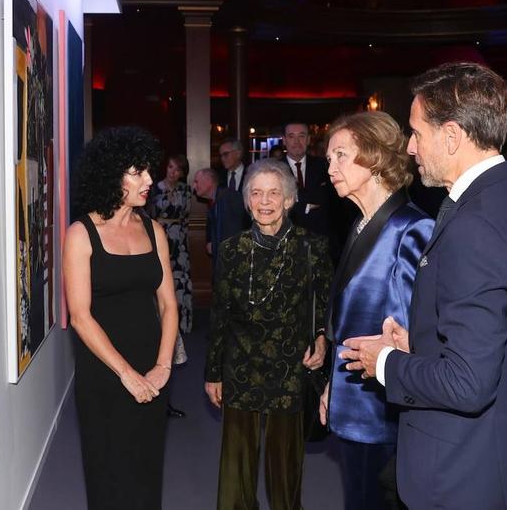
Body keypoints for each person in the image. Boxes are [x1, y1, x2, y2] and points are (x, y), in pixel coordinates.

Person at [340, 62, 507, 509]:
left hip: (459, 473)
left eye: (417, 133)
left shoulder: (473, 225)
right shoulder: (499, 197)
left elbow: (469, 383)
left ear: (451, 136)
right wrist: (421, 344)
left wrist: (386, 362)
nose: (411, 148)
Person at [318, 111, 434, 510]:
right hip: (353, 403)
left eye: (340, 155)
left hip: (384, 415)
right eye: (329, 157)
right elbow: (348, 315)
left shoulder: (411, 228)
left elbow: (404, 334)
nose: (330, 167)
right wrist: (332, 385)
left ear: (375, 158)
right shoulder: (361, 224)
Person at [204, 159, 333, 510]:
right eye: (256, 193)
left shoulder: (312, 247)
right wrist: (213, 373)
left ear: (289, 200)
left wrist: (322, 338)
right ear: (247, 201)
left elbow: (325, 304)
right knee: (236, 467)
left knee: (285, 468)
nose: (265, 201)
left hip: (290, 369)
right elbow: (219, 316)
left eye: (274, 193)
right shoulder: (231, 249)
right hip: (240, 365)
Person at [63, 126, 178, 510]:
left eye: (149, 171)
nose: (150, 180)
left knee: (146, 467)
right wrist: (126, 374)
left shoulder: (154, 230)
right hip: (105, 371)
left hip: (151, 365)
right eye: (138, 172)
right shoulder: (81, 234)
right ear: (112, 175)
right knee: (108, 470)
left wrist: (163, 366)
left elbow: (168, 304)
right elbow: (80, 317)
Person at [147, 154, 192, 418]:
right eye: (170, 166)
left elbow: (186, 217)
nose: (173, 171)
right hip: (160, 241)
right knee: (163, 293)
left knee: (180, 288)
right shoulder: (154, 190)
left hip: (180, 242)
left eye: (178, 168)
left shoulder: (186, 191)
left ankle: (181, 326)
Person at [192, 167, 247, 275]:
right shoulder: (216, 200)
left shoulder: (230, 198)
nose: (194, 186)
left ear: (208, 181)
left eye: (196, 181)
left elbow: (234, 236)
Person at [283, 122, 332, 237]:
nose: (296, 142)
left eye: (301, 136)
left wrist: (295, 200)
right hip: (285, 237)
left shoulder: (324, 166)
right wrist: (306, 205)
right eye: (291, 136)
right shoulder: (274, 169)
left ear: (308, 140)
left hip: (319, 236)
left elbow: (329, 200)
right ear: (284, 140)